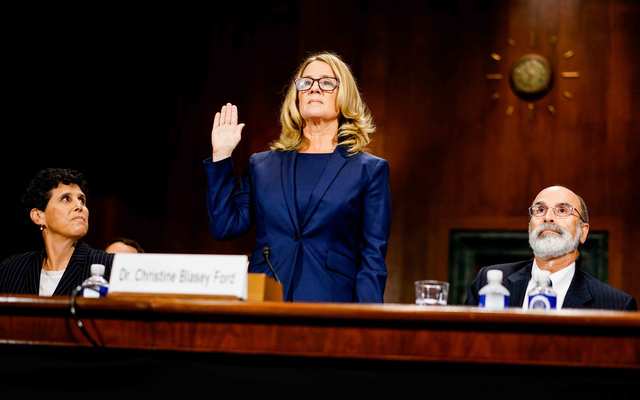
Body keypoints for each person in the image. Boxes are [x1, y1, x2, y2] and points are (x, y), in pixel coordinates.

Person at [204, 52, 391, 302]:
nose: (314, 88)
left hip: (331, 304)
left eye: (326, 82)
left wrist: (369, 324)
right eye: (306, 83)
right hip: (266, 302)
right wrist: (221, 155)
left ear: (344, 95)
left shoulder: (369, 170)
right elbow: (225, 226)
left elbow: (372, 260)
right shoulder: (262, 165)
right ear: (297, 96)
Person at [466, 185, 637, 310]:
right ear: (529, 228)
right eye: (539, 210)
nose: (548, 217)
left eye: (562, 210)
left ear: (583, 232)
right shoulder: (489, 281)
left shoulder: (616, 305)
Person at [0, 168, 113, 296]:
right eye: (66, 199)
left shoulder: (109, 266)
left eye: (82, 200)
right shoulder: (11, 270)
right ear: (38, 216)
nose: (79, 206)